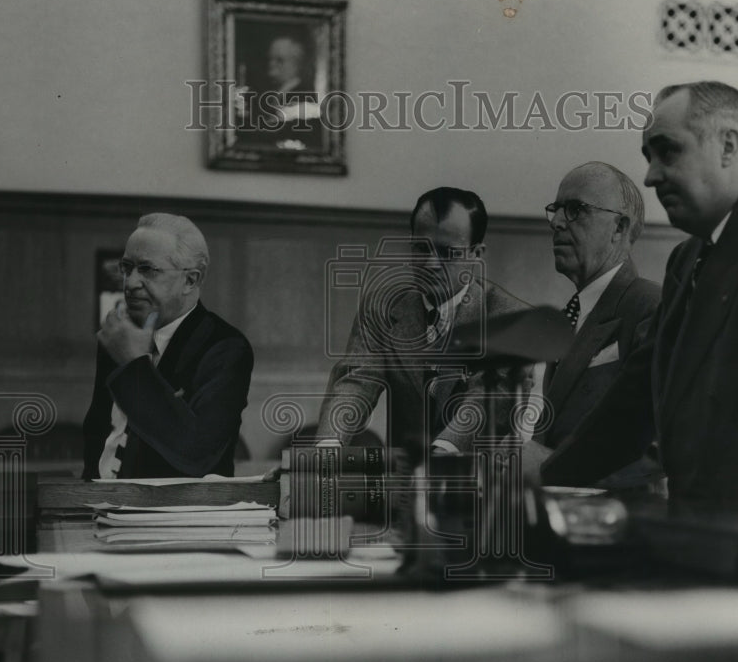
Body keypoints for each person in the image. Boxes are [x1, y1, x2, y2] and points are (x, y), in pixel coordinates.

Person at [542, 81, 738, 521]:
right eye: (648, 158)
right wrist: (545, 475)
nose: (649, 176)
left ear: (728, 146)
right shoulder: (685, 260)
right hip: (701, 533)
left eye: (667, 152)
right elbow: (633, 401)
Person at [317, 187, 529, 454]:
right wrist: (327, 446)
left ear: (476, 254)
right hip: (406, 484)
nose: (430, 264)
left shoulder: (509, 318)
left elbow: (487, 398)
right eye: (420, 248)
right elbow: (356, 381)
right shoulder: (382, 308)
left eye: (447, 252)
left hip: (483, 481)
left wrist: (442, 452)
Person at [82, 213, 254, 479]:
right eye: (126, 268)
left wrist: (135, 366)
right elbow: (98, 435)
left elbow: (196, 454)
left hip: (179, 515)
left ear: (191, 280)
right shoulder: (117, 336)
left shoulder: (227, 348)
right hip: (99, 506)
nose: (130, 283)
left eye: (147, 270)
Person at [521, 162, 660, 484]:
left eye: (576, 210)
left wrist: (550, 465)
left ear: (619, 229)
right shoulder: (570, 316)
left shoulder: (652, 307)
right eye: (556, 210)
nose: (556, 222)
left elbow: (659, 444)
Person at [235, 33, 322, 150]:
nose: (271, 65)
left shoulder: (305, 97)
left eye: (279, 60)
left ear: (298, 64)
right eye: (270, 59)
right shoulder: (268, 95)